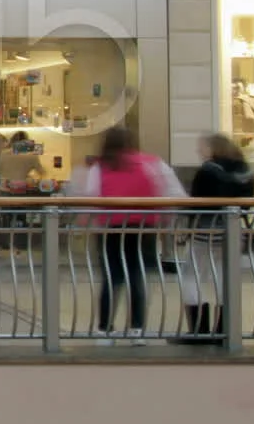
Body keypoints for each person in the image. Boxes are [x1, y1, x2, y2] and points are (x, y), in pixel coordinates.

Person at [75, 127, 184, 346]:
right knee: (137, 277)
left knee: (111, 278)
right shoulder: (152, 163)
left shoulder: (100, 167)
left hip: (111, 229)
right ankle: (137, 329)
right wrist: (167, 220)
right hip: (143, 228)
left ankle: (105, 330)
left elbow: (92, 196)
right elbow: (173, 192)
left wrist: (84, 223)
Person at [180, 134, 254, 344]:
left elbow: (196, 201)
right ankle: (225, 328)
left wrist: (186, 227)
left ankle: (199, 330)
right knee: (225, 278)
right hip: (233, 230)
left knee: (192, 276)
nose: (199, 151)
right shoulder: (245, 170)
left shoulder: (208, 170)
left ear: (212, 148)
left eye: (202, 147)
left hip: (207, 230)